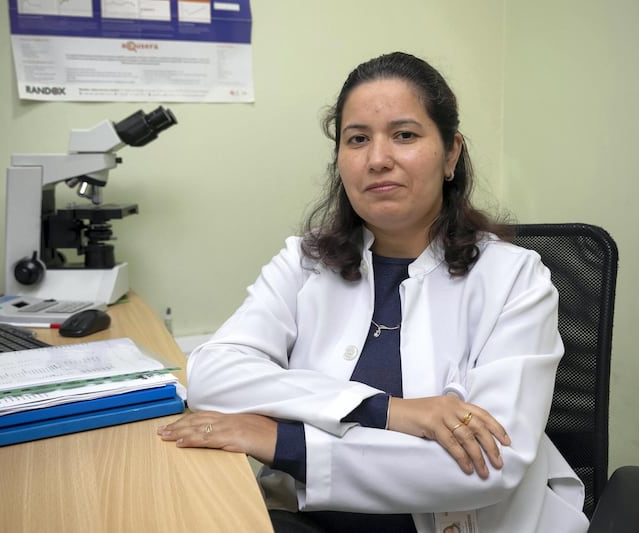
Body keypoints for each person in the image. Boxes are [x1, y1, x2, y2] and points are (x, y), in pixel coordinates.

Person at [158, 51, 589, 533]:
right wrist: (389, 411)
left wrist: (281, 441)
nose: (378, 159)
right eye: (357, 139)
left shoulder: (514, 277)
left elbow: (489, 462)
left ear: (450, 154)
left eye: (404, 135)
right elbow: (212, 375)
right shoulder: (303, 263)